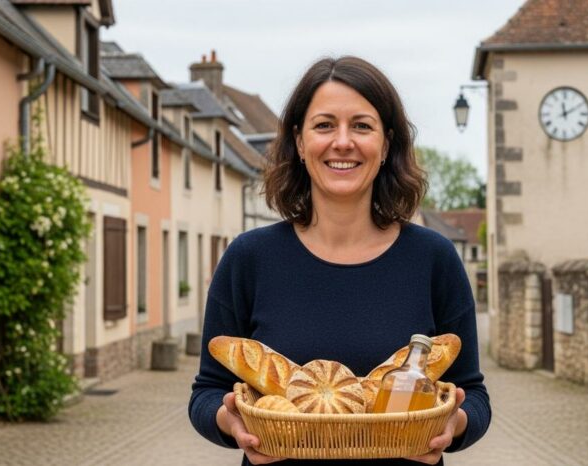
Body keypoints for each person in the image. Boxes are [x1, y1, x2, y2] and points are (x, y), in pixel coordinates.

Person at [189, 56, 491, 466]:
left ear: (386, 145)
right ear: (299, 142)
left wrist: (450, 426)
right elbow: (206, 393)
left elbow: (473, 396)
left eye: (362, 126)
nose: (343, 142)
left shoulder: (433, 258)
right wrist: (231, 421)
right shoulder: (249, 258)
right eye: (325, 125)